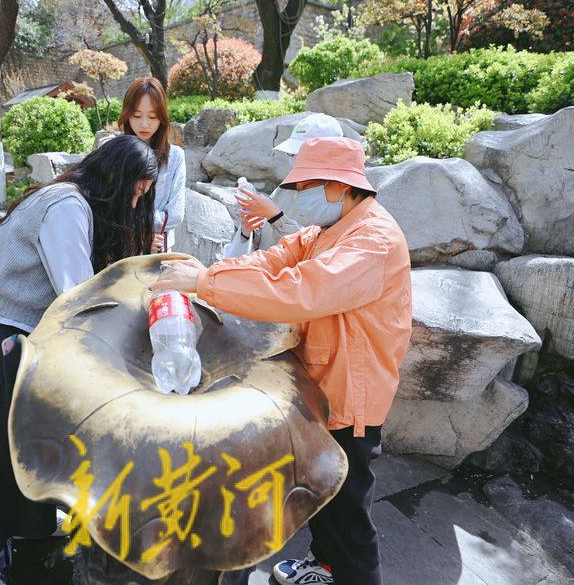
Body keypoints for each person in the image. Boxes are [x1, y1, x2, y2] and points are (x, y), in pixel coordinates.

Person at [154, 137, 412, 585]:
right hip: (321, 378)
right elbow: (276, 262)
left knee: (347, 506)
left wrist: (204, 282)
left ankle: (354, 575)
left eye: (306, 185)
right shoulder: (325, 232)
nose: (298, 197)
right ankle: (324, 565)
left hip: (352, 391)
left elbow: (301, 290)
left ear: (337, 187)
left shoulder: (374, 239)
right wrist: (211, 276)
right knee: (317, 488)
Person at [0, 135, 158, 585]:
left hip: (14, 331)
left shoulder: (77, 199)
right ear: (114, 176)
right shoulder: (67, 207)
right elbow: (76, 294)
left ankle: (24, 529)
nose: (136, 204)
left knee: (18, 443)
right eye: (135, 192)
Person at [224, 113, 349, 258]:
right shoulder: (285, 188)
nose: (293, 159)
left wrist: (276, 217)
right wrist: (248, 232)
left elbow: (315, 252)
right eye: (291, 153)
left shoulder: (339, 197)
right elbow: (264, 242)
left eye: (300, 153)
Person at [118, 77, 184, 253]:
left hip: (158, 250)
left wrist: (137, 222)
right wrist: (141, 232)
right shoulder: (115, 153)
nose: (144, 124)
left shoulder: (175, 157)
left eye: (153, 116)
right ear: (127, 114)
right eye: (137, 115)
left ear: (162, 118)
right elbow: (108, 207)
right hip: (120, 247)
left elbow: (175, 216)